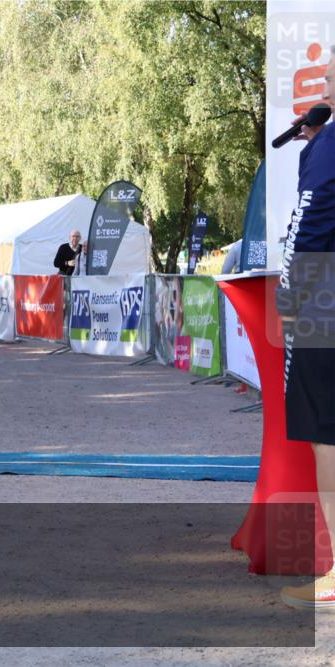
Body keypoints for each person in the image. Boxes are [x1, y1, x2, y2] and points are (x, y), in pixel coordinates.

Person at [277, 52, 335, 611]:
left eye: (330, 77)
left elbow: (310, 220)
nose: (324, 84)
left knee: (327, 431)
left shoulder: (330, 144)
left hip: (327, 296)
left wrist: (292, 292)